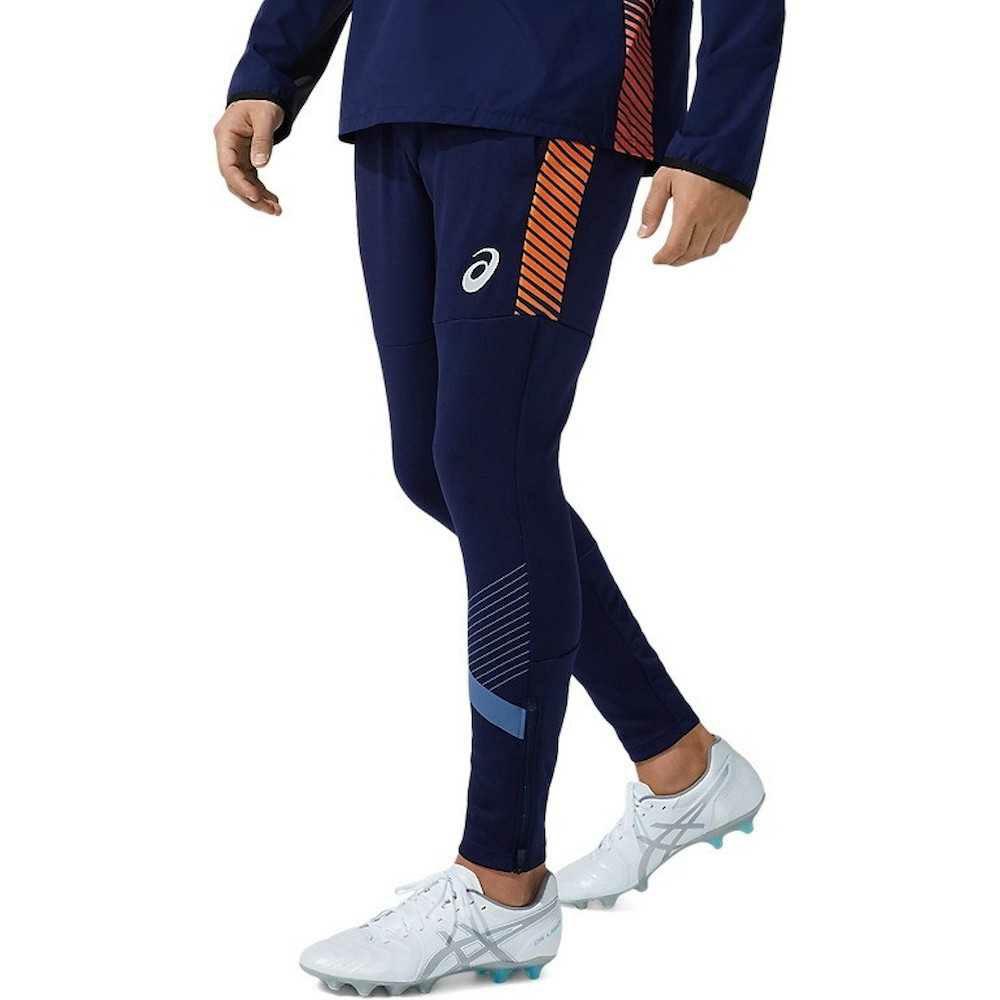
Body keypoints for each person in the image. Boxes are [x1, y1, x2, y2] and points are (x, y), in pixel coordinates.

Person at [214, 1, 783, 992]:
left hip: (551, 83)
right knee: (437, 466)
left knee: (490, 460)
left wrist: (721, 141)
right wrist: (273, 62)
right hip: (397, 86)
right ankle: (680, 762)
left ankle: (501, 879)